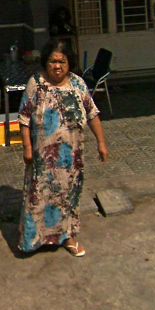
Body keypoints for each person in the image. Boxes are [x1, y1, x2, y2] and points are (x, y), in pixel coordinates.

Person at [18, 39, 109, 257]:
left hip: (71, 159)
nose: (57, 66)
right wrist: (27, 147)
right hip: (42, 158)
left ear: (69, 63)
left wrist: (101, 143)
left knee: (68, 197)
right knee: (39, 197)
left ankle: (68, 237)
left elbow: (92, 114)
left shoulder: (78, 84)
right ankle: (34, 240)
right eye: (53, 61)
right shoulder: (35, 84)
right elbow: (24, 118)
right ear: (45, 62)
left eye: (62, 61)